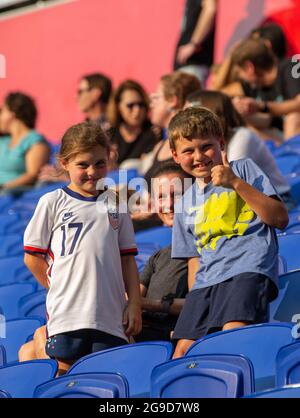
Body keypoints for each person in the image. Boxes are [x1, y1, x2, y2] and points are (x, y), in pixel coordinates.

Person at [168, 107, 288, 358]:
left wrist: (234, 182)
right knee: (183, 352)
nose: (199, 156)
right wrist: (194, 303)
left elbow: (279, 218)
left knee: (233, 335)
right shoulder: (184, 204)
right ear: (175, 156)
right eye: (189, 150)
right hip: (206, 284)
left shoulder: (243, 169)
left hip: (247, 270)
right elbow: (194, 261)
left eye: (206, 146)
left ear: (221, 144)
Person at [23, 122, 142, 375]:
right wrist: (59, 286)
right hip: (67, 314)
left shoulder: (117, 205)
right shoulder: (52, 202)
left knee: (105, 375)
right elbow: (32, 257)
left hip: (110, 316)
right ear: (64, 163)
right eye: (83, 165)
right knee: (65, 374)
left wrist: (134, 304)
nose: (92, 171)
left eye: (100, 163)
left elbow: (128, 261)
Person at [186, 90, 295, 209]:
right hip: (235, 202)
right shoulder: (197, 145)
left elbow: (231, 180)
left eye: (189, 116)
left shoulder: (242, 137)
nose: (183, 121)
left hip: (274, 200)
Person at [136, 163, 191, 342]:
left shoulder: (207, 246)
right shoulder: (158, 257)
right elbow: (134, 298)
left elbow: (199, 304)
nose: (169, 204)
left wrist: (149, 305)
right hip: (143, 333)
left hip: (174, 335)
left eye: (177, 195)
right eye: (161, 197)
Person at [38, 72, 113, 183]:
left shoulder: (111, 128)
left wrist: (63, 177)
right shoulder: (84, 127)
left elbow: (105, 168)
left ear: (96, 93)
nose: (76, 96)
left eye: (80, 92)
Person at [143, 72, 201, 185]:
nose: (151, 105)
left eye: (156, 97)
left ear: (172, 101)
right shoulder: (159, 146)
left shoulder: (190, 142)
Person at [0, 92, 50, 191]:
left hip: (12, 199)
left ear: (12, 113)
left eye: (2, 112)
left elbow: (32, 176)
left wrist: (3, 188)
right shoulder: (4, 141)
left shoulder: (35, 141)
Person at [107, 80, 158, 167]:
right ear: (118, 107)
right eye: (130, 105)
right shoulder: (109, 135)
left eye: (140, 104)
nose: (137, 110)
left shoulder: (154, 133)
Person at [174, 0, 217, 85]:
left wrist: (194, 43)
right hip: (187, 63)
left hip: (194, 62)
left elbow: (210, 9)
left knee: (191, 97)